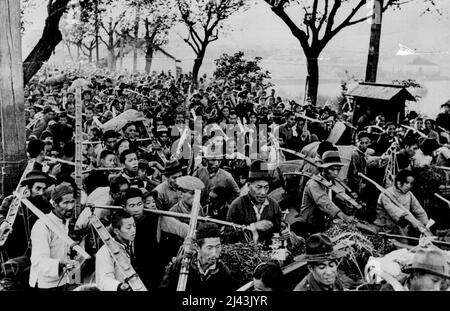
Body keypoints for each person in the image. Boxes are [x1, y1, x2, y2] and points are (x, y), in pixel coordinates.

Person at [29, 184, 80, 290]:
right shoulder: (42, 225)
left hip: (63, 279)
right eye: (65, 203)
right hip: (46, 284)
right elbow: (38, 261)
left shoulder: (65, 221)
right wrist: (60, 263)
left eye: (72, 202)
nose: (70, 207)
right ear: (54, 204)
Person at [294, 151, 356, 237]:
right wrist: (343, 216)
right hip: (309, 224)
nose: (336, 173)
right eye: (333, 169)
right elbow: (323, 202)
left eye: (338, 170)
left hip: (322, 222)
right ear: (324, 169)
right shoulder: (313, 183)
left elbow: (334, 197)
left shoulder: (330, 181)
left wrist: (346, 203)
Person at [159, 223, 235, 291]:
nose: (214, 253)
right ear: (198, 247)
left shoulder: (223, 271)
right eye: (209, 248)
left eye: (218, 247)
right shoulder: (182, 265)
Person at [226, 159, 282, 244]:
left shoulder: (274, 205)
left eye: (266, 187)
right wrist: (253, 226)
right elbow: (227, 236)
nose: (263, 192)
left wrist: (284, 233)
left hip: (269, 253)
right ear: (248, 186)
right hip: (243, 254)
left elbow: (279, 229)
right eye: (259, 187)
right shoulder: (237, 206)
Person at [373, 169, 431, 238]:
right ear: (398, 182)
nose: (409, 186)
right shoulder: (386, 194)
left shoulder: (409, 194)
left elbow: (419, 211)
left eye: (411, 183)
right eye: (406, 182)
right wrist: (416, 224)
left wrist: (426, 226)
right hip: (385, 228)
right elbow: (396, 212)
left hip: (401, 229)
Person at [95, 210, 136, 291]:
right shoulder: (105, 252)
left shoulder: (131, 243)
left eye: (134, 226)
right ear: (116, 231)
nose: (133, 230)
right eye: (129, 227)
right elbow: (104, 280)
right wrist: (119, 286)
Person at [380, 247, 450, 291]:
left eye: (441, 283)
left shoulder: (444, 287)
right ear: (417, 274)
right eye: (434, 281)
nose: (437, 289)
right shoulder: (390, 289)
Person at [347, 131, 370, 195]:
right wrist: (360, 185)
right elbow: (354, 173)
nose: (364, 145)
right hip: (355, 185)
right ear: (357, 142)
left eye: (366, 143)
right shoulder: (355, 155)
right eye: (362, 143)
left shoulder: (362, 154)